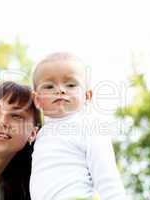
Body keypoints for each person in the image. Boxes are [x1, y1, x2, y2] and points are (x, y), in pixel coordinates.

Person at [30, 52, 129, 200]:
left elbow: (108, 179)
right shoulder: (40, 135)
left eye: (70, 84)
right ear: (37, 99)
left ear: (87, 96)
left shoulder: (89, 128)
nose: (60, 90)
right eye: (49, 86)